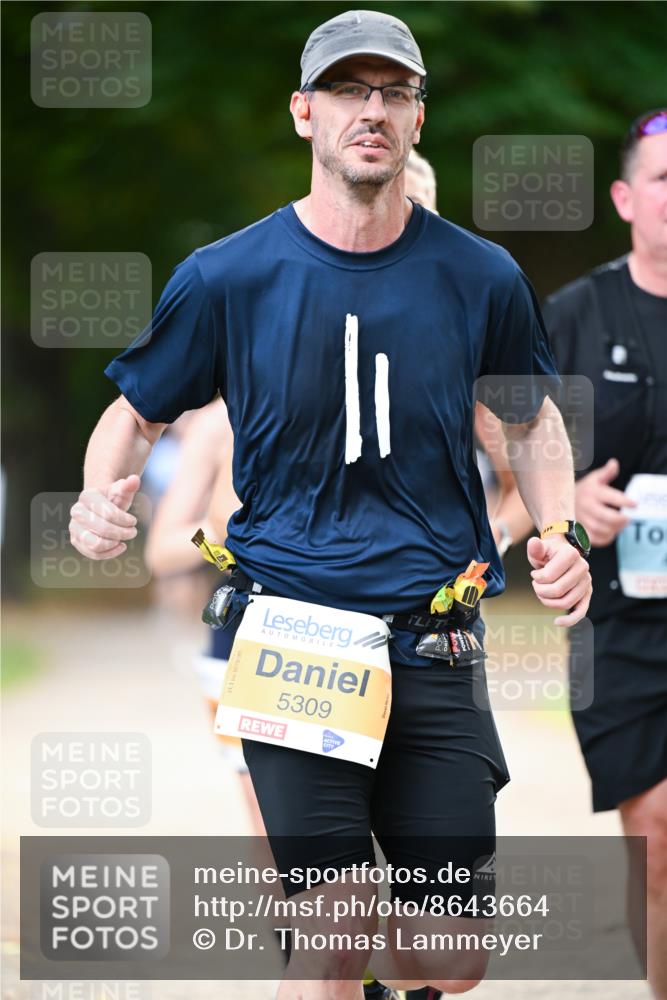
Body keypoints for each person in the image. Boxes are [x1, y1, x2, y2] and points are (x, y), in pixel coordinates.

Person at [68, 10, 591, 997]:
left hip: (434, 638)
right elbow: (132, 415)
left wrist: (559, 531)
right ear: (304, 111)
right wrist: (99, 496)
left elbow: (531, 423)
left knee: (450, 959)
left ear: (418, 118)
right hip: (292, 637)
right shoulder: (226, 277)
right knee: (331, 925)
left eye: (393, 93)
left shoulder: (481, 277)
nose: (371, 111)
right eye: (349, 90)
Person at [540, 110, 667, 998]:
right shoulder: (574, 315)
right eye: (664, 180)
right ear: (624, 198)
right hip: (617, 623)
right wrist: (571, 502)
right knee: (654, 833)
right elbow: (513, 451)